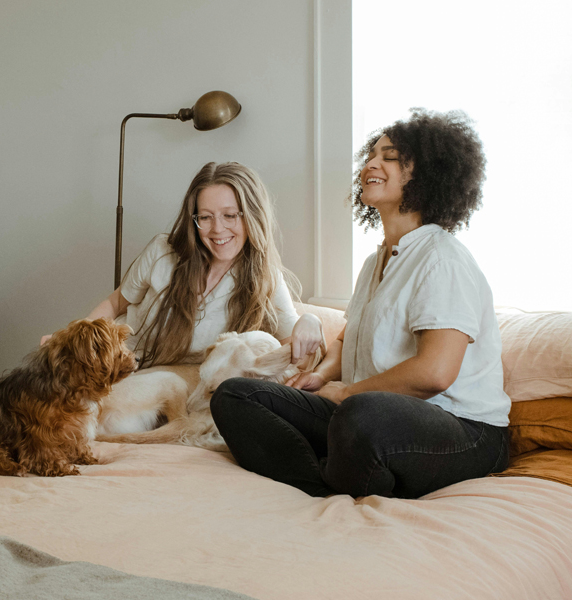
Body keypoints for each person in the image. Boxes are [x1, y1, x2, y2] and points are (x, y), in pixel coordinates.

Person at [210, 109, 511, 499]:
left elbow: (435, 372)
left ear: (426, 173)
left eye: (389, 156)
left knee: (360, 415)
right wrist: (321, 376)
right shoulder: (376, 262)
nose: (371, 163)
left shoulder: (442, 258)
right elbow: (347, 338)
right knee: (236, 396)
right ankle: (326, 482)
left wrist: (348, 393)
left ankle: (342, 469)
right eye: (371, 155)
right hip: (366, 415)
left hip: (464, 431)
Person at [46, 161, 324, 368]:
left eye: (229, 215)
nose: (217, 230)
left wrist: (311, 320)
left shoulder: (266, 278)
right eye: (205, 217)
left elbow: (294, 349)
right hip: (120, 367)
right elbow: (116, 304)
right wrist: (70, 340)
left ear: (251, 216)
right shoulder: (162, 251)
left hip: (178, 388)